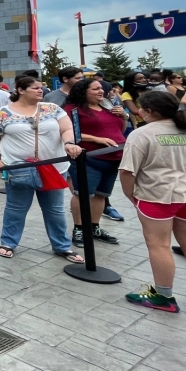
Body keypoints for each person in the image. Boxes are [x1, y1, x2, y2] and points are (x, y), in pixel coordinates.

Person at [119, 91, 186, 312]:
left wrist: (131, 195)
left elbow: (127, 171)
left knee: (158, 245)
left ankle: (163, 296)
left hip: (157, 196)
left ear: (149, 111)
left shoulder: (142, 134)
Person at [0, 76, 84, 263]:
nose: (40, 90)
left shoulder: (52, 109)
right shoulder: (4, 113)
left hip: (54, 167)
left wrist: (69, 143)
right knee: (16, 208)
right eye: (35, 88)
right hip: (19, 168)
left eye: (41, 88)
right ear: (21, 90)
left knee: (55, 210)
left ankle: (62, 246)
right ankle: (8, 243)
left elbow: (66, 129)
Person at [63, 78, 124, 247]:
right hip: (89, 158)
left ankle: (94, 227)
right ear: (83, 91)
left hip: (114, 158)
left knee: (101, 195)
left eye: (101, 89)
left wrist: (123, 115)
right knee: (82, 194)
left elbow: (119, 129)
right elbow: (69, 132)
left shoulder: (108, 107)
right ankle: (79, 228)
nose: (101, 91)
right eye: (95, 89)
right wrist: (97, 139)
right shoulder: (72, 109)